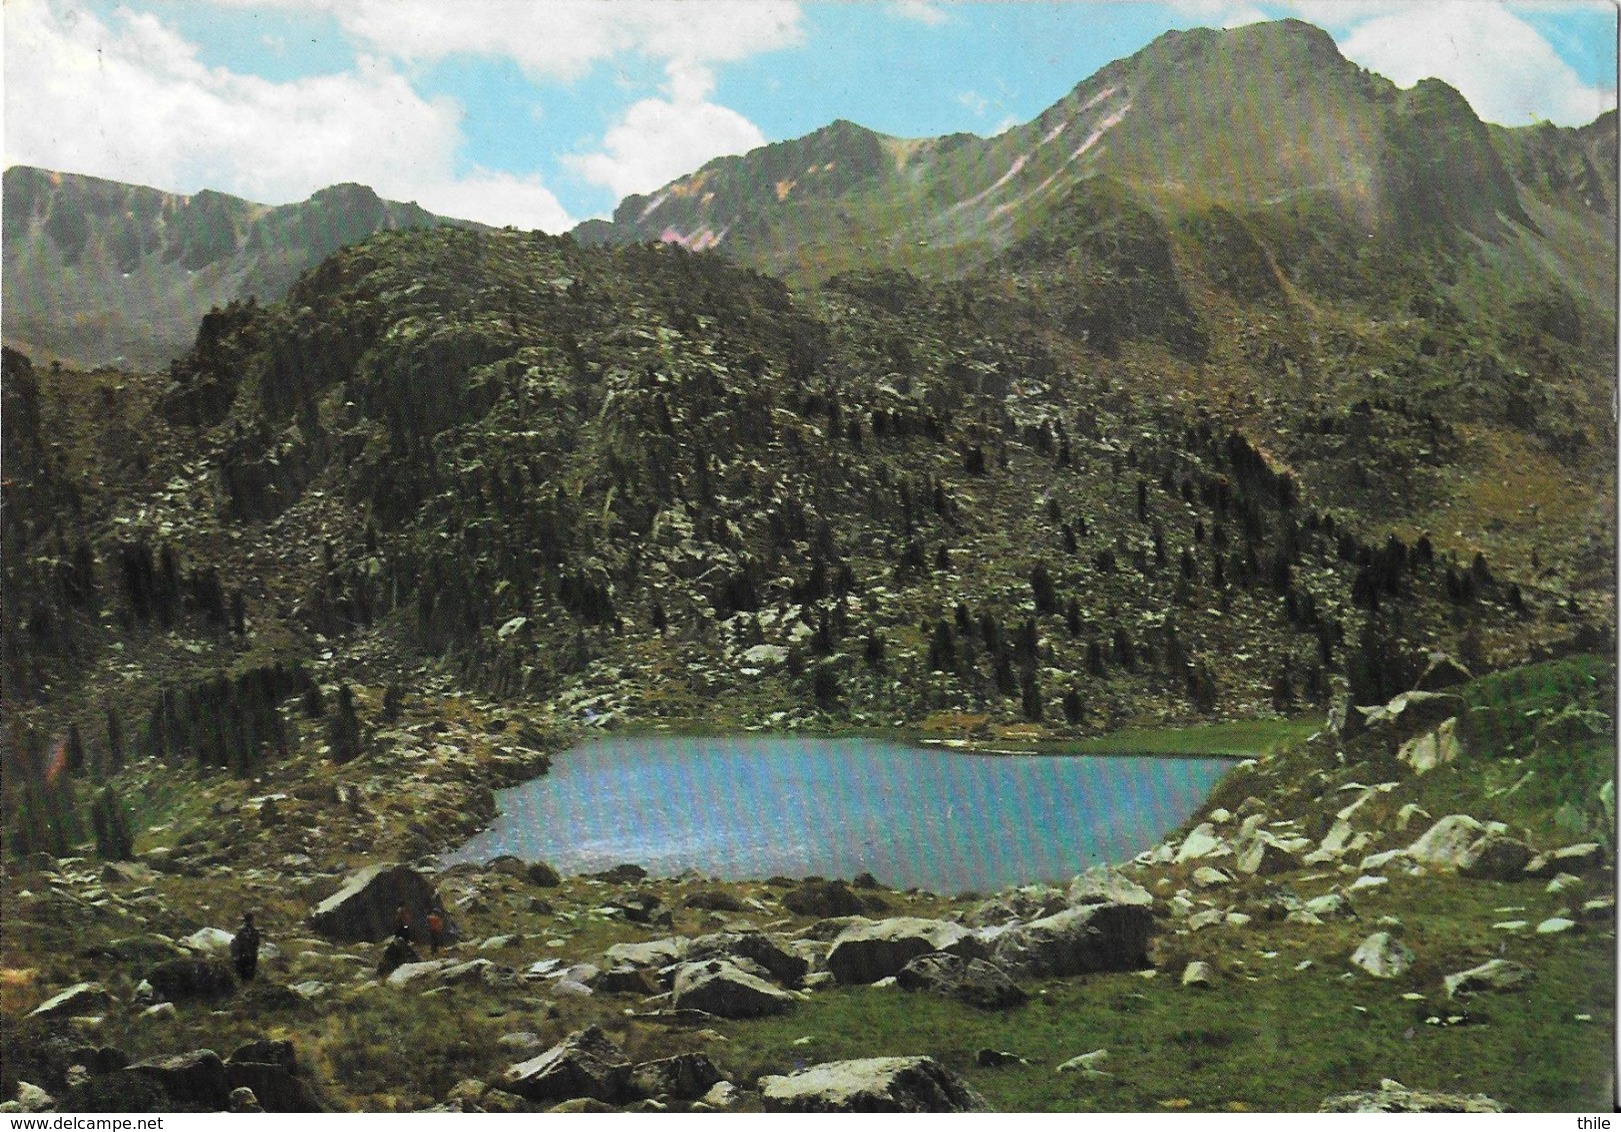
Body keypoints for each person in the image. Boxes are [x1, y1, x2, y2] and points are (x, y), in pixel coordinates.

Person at [231, 912, 261, 982]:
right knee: (248, 976)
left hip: (244, 956)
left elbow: (235, 944)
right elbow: (257, 943)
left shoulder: (242, 931)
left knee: (244, 977)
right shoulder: (254, 931)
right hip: (248, 956)